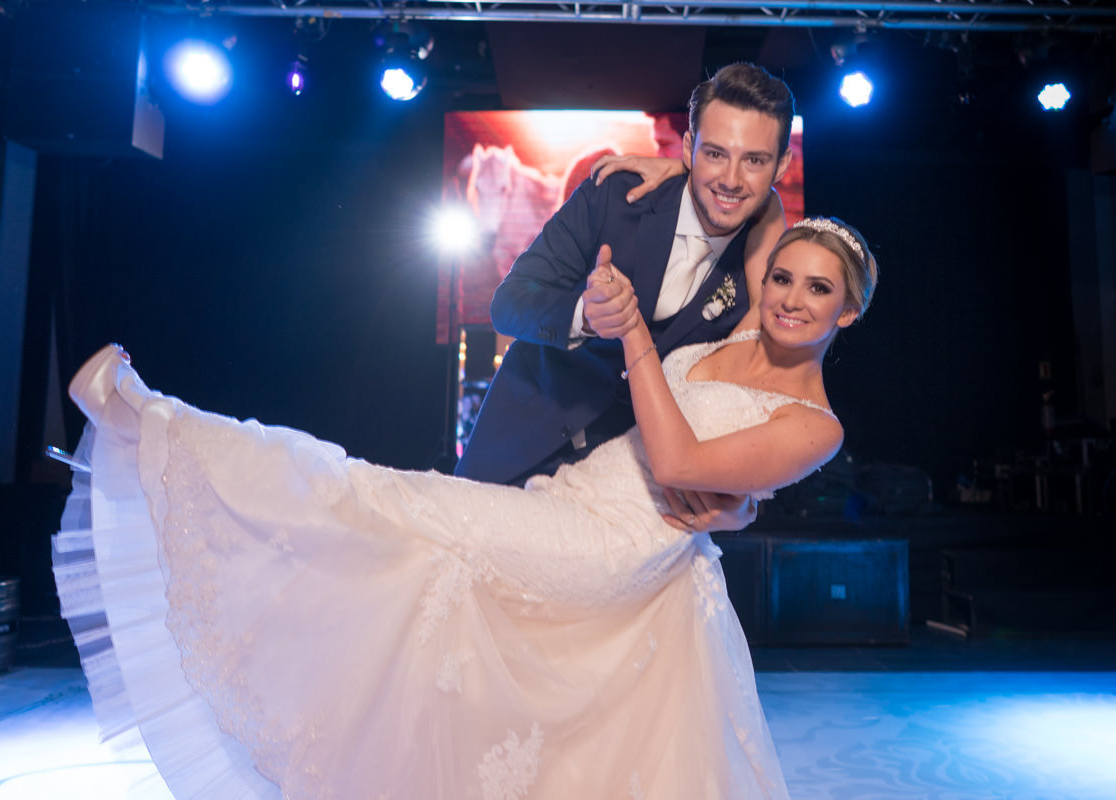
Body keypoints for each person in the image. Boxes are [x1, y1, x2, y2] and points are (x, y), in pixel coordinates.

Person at [53, 215, 878, 800]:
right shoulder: (737, 335)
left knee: (384, 499)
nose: (790, 296)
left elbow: (676, 459)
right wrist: (671, 160)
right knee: (428, 605)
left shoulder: (815, 425)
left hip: (611, 546)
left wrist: (632, 335)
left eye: (817, 289)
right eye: (780, 277)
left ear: (847, 312)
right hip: (575, 502)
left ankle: (161, 428)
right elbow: (755, 194)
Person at [454, 62, 795, 533]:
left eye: (754, 160)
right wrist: (584, 315)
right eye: (716, 153)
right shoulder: (616, 196)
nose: (732, 179)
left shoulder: (771, 270)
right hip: (517, 448)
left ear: (782, 165)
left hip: (637, 500)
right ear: (690, 147)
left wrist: (746, 506)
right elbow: (509, 303)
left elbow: (764, 394)